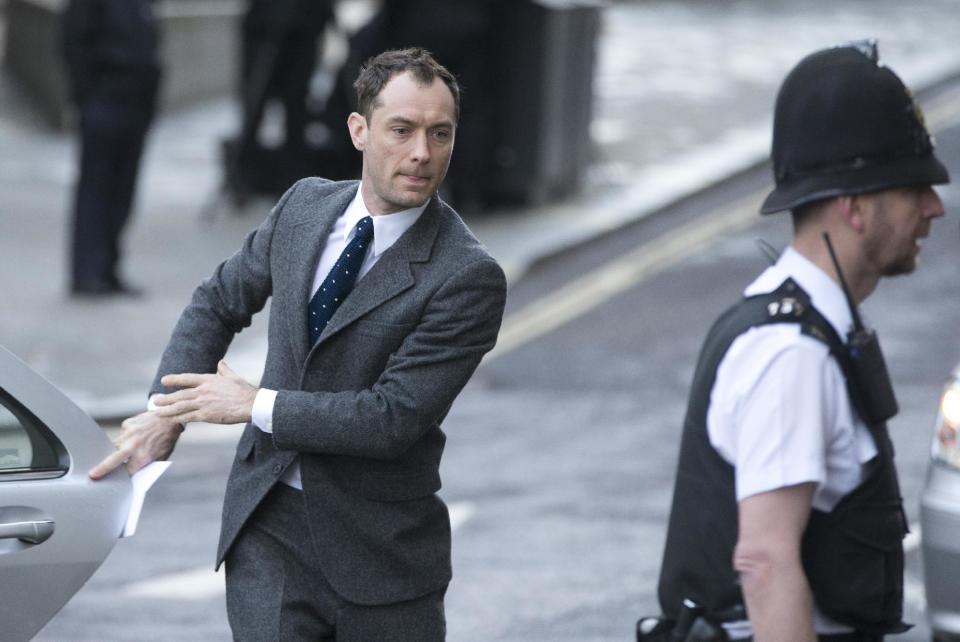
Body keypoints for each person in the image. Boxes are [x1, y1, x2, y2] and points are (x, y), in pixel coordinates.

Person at [90, 48, 507, 640]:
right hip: (269, 532)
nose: (422, 153)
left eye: (440, 134)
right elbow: (219, 300)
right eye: (402, 130)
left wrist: (253, 404)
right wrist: (165, 413)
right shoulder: (303, 208)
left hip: (381, 561)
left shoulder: (466, 276)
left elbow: (392, 419)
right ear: (359, 131)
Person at [645, 42, 949, 641]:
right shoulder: (792, 353)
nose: (935, 207)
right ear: (856, 207)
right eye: (913, 188)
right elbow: (764, 563)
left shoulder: (807, 327)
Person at [61, 0, 162, 296]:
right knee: (96, 187)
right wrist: (87, 97)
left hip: (137, 99)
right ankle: (87, 273)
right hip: (105, 96)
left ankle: (108, 267)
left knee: (122, 190)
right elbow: (72, 40)